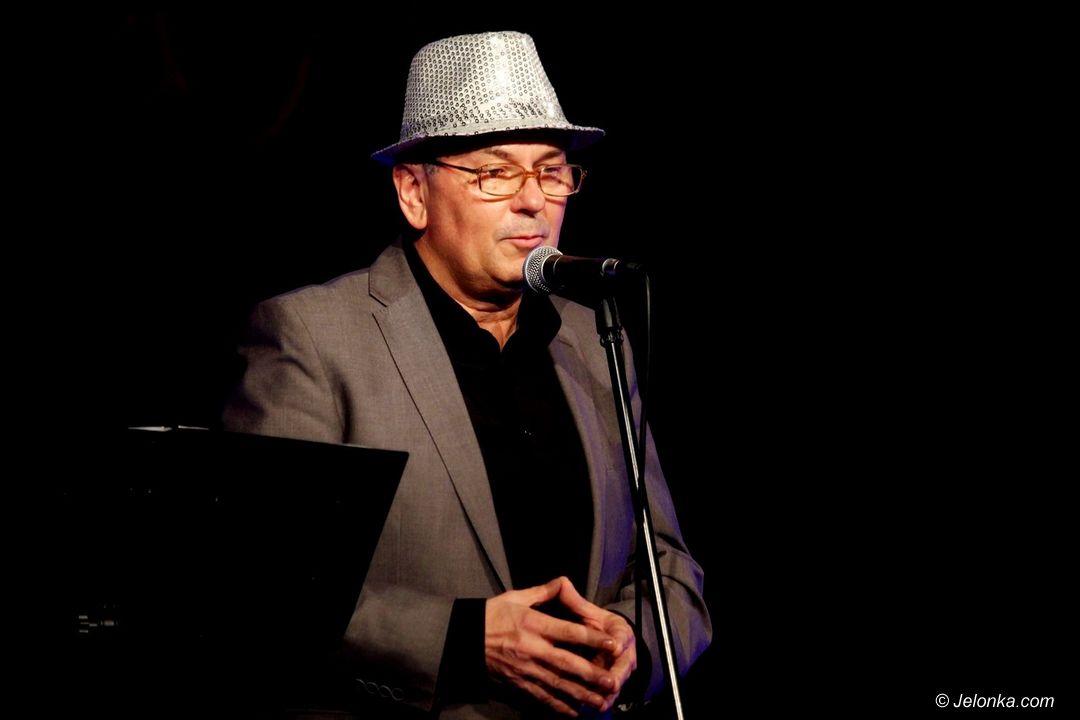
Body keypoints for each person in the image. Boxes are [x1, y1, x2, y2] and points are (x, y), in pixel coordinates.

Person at [223, 30, 711, 718]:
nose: (533, 201)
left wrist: (635, 644)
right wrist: (461, 639)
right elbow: (260, 588)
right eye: (495, 173)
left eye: (551, 171)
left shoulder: (593, 336)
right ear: (413, 192)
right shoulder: (313, 337)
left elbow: (670, 568)